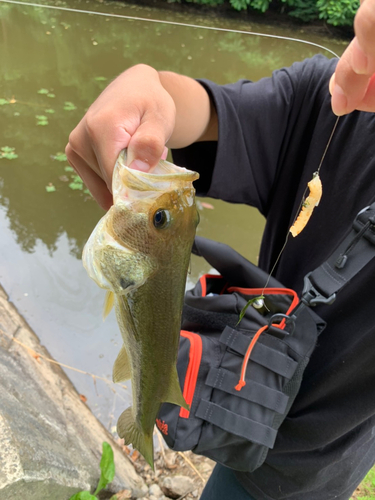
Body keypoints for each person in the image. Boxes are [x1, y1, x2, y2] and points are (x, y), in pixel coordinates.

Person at [66, 1, 375, 498]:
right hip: (239, 429)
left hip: (320, 473)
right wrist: (147, 88)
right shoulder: (330, 100)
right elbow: (203, 111)